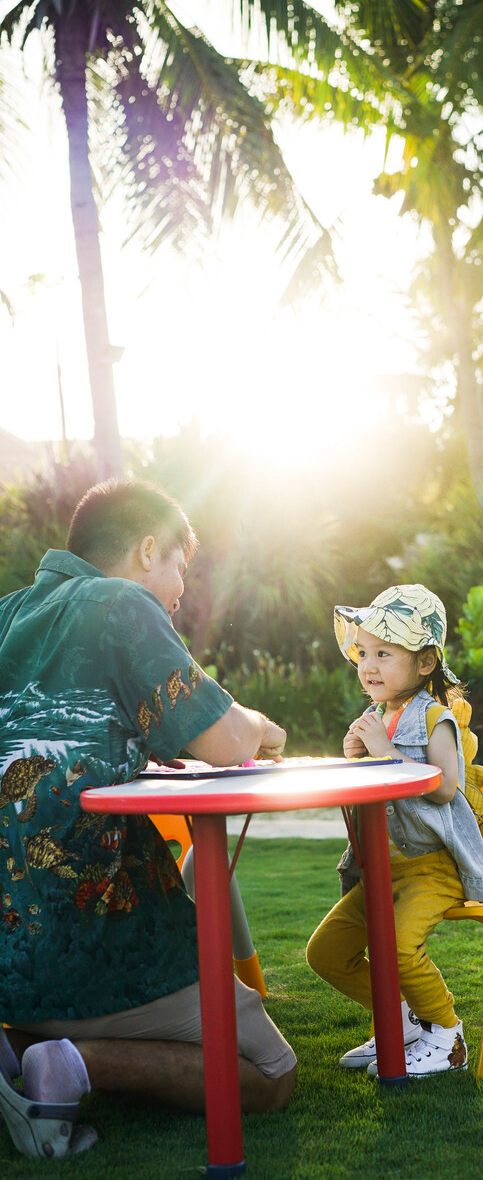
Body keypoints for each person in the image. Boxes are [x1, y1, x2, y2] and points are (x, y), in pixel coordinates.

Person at [0, 478, 296, 1159]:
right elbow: (227, 740)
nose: (180, 591)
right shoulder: (121, 603)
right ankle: (72, 1064)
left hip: (10, 959)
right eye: (179, 569)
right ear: (145, 549)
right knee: (272, 1073)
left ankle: (15, 1044)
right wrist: (266, 727)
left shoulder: (9, 613)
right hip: (96, 942)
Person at [306, 584, 483, 1078]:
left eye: (384, 653)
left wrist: (386, 756)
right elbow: (375, 795)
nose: (368, 665)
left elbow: (444, 786)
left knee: (399, 947)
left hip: (433, 867)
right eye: (364, 652)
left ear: (425, 662)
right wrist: (357, 760)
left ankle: (447, 1035)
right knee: (326, 952)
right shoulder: (375, 718)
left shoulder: (436, 718)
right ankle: (402, 1020)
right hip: (383, 869)